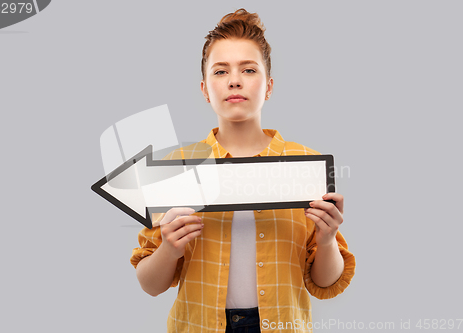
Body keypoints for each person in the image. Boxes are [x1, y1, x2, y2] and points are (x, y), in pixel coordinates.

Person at [131, 8, 356, 333]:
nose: (234, 80)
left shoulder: (305, 165)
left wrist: (328, 239)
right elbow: (149, 285)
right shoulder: (178, 168)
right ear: (205, 89)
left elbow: (325, 284)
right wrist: (169, 247)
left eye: (248, 69)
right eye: (220, 72)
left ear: (269, 86)